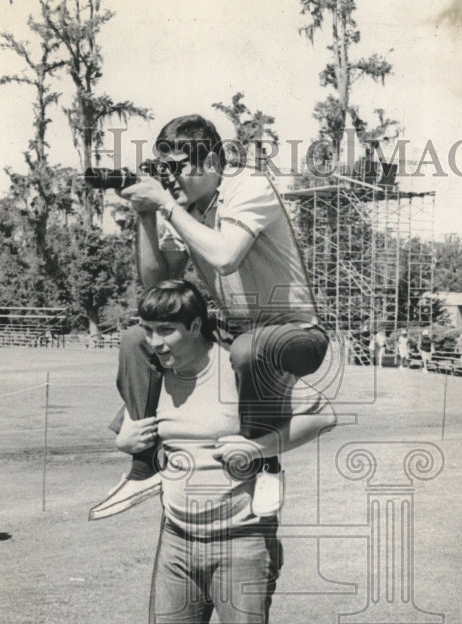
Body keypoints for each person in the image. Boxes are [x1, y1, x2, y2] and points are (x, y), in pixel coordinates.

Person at [101, 281, 337, 624]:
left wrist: (258, 448)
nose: (153, 342)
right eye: (149, 330)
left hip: (242, 541)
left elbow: (321, 415)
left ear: (198, 327)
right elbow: (129, 434)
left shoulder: (240, 372)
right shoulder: (157, 376)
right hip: (177, 539)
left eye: (165, 331)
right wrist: (123, 442)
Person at [89, 114, 330, 521]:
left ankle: (263, 461)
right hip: (236, 331)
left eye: (180, 165)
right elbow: (158, 284)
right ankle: (146, 464)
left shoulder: (248, 186)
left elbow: (224, 256)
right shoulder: (183, 207)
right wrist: (147, 215)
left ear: (213, 161)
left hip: (294, 331)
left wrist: (166, 204)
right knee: (138, 338)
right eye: (166, 167)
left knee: (248, 349)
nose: (173, 177)